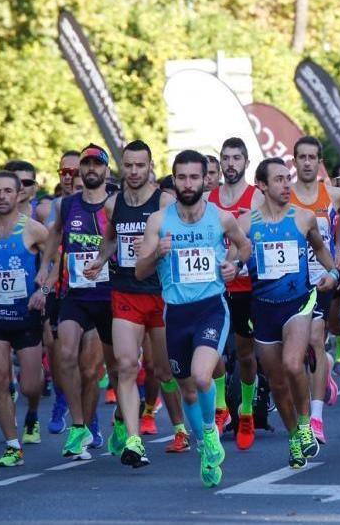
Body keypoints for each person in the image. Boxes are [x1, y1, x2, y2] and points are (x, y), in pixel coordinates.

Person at [133, 150, 252, 488]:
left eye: (194, 177)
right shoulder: (159, 221)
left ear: (205, 180)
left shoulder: (221, 218)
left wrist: (235, 266)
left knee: (202, 377)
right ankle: (204, 446)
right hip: (177, 313)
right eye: (181, 177)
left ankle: (212, 432)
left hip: (211, 307)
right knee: (186, 390)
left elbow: (244, 247)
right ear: (174, 178)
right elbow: (140, 271)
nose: (188, 183)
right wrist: (157, 253)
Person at [83, 140, 186, 467]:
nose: (134, 171)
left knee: (164, 368)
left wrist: (157, 244)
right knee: (126, 365)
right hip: (126, 292)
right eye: (129, 165)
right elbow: (112, 238)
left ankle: (181, 426)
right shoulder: (113, 205)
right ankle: (133, 440)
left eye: (141, 165)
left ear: (150, 165)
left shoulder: (165, 201)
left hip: (161, 293)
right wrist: (100, 259)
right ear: (122, 166)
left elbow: (183, 237)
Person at [242, 157, 340, 469]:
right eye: (279, 180)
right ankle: (295, 434)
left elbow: (322, 249)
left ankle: (307, 422)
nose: (287, 185)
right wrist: (230, 267)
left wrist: (334, 274)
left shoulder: (304, 218)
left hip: (299, 302)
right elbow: (233, 257)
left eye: (288, 178)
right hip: (263, 308)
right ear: (262, 185)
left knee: (293, 364)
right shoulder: (247, 223)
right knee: (277, 381)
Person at [38, 144, 117, 460]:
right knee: (65, 356)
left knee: (90, 370)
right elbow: (55, 237)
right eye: (85, 164)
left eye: (96, 164)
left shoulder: (114, 205)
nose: (90, 169)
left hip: (106, 295)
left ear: (106, 171)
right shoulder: (67, 205)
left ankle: (101, 423)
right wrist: (45, 268)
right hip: (74, 294)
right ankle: (79, 426)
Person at [0, 172, 49, 467]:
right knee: (0, 380)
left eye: (9, 191)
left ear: (19, 194)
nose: (2, 196)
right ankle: (12, 446)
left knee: (31, 386)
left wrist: (44, 289)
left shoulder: (33, 230)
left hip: (26, 315)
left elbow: (55, 261)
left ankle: (31, 411)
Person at [288, 136, 340, 444]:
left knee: (315, 339)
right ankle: (321, 374)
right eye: (301, 157)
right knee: (295, 353)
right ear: (295, 161)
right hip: (290, 281)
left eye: (312, 157)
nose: (306, 162)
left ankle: (315, 418)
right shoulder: (284, 196)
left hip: (322, 278)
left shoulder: (334, 194)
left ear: (319, 162)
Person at [207, 137, 264, 449]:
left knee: (245, 354)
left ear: (246, 163)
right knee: (212, 350)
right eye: (226, 158)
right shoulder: (209, 198)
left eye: (236, 158)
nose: (230, 164)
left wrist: (239, 263)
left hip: (248, 286)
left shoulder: (256, 198)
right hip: (216, 286)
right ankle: (221, 408)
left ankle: (246, 411)